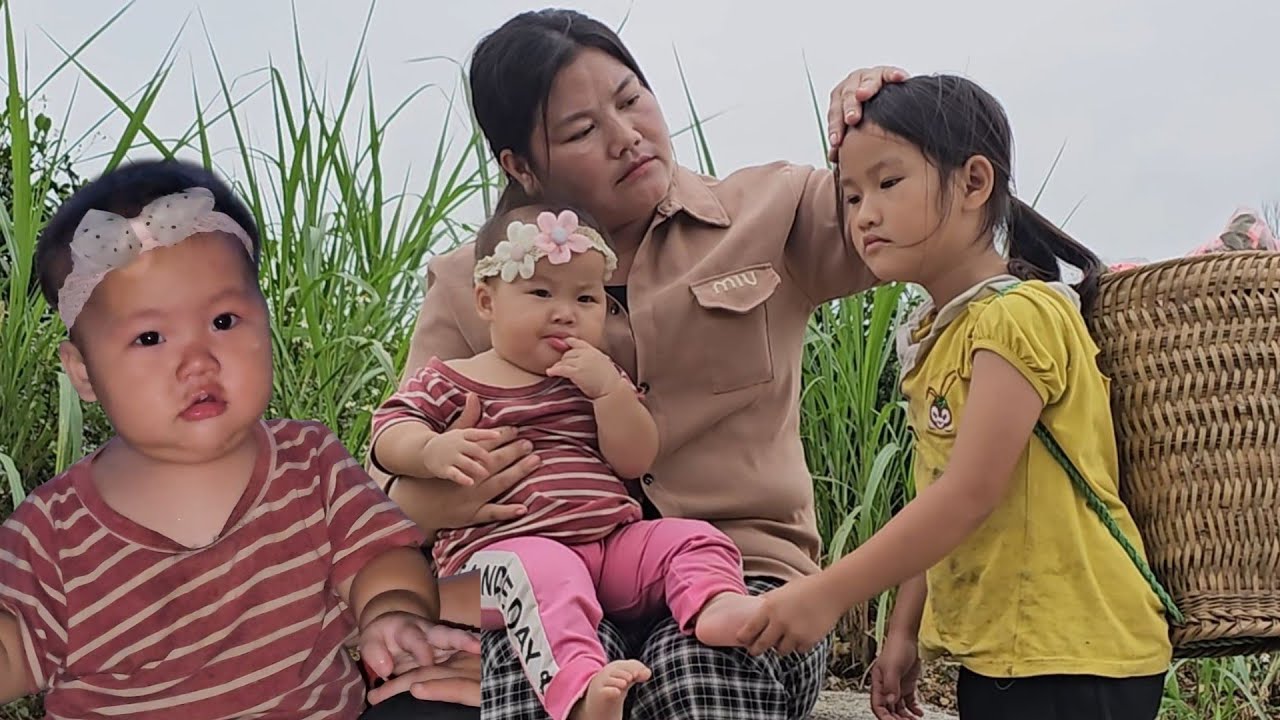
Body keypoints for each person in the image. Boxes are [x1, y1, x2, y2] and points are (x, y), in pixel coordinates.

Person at [366, 7, 908, 719]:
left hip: (736, 576)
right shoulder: (473, 285)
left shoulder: (771, 212)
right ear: (521, 166)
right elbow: (389, 474)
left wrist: (888, 126)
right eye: (583, 130)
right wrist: (452, 485)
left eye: (630, 100)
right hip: (542, 580)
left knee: (700, 673)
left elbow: (925, 219)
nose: (628, 138)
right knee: (503, 680)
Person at [734, 74, 1174, 720]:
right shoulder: (939, 335)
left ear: (973, 183)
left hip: (1079, 651)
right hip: (1005, 652)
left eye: (888, 184)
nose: (865, 215)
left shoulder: (1017, 319)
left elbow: (968, 493)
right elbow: (936, 488)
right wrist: (905, 628)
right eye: (851, 196)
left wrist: (827, 594)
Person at [0, 159, 480, 719]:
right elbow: (12, 645)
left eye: (224, 322)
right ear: (83, 372)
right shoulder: (53, 535)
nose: (197, 362)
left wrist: (392, 611)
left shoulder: (310, 465)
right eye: (150, 337)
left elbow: (382, 559)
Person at [369, 204, 760, 720]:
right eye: (540, 293)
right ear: (486, 301)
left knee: (689, 537)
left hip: (607, 545)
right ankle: (577, 691)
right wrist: (429, 450)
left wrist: (608, 394)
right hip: (499, 560)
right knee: (548, 575)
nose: (565, 311)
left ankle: (715, 604)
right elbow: (388, 431)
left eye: (586, 298)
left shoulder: (592, 378)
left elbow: (635, 457)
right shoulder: (452, 378)